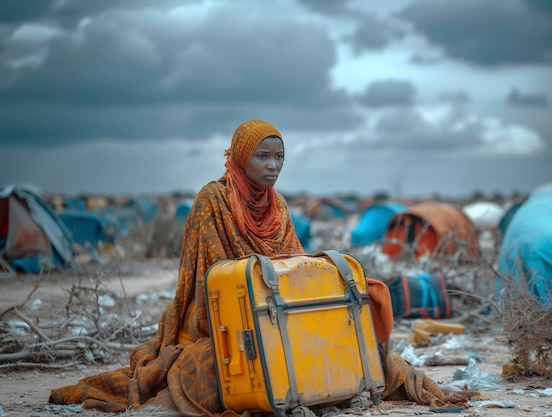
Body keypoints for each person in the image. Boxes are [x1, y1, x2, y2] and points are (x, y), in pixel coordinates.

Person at [50, 120, 477, 415]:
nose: (273, 166)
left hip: (277, 313)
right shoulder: (210, 200)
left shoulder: (279, 205)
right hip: (224, 320)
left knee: (377, 364)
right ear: (239, 157)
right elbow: (208, 279)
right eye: (263, 157)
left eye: (279, 158)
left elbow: (293, 261)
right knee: (204, 375)